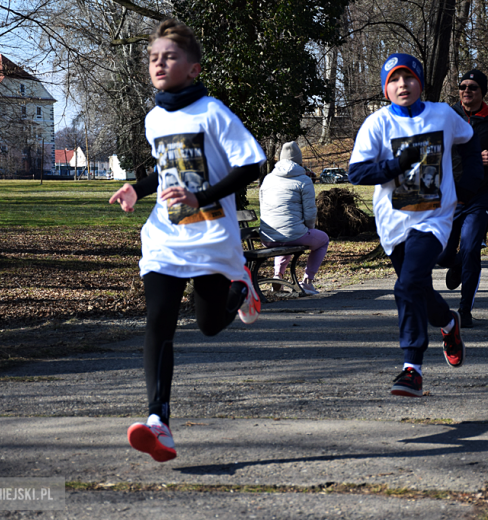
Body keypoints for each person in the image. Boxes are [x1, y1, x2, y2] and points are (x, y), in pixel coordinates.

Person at [108, 18, 265, 463]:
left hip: (213, 236)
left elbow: (250, 164)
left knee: (210, 325)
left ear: (193, 69)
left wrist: (202, 196)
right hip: (166, 235)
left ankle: (241, 286)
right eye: (153, 57)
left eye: (169, 57)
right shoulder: (154, 117)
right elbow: (167, 164)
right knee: (158, 320)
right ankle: (159, 421)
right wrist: (139, 188)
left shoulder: (214, 112)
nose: (159, 63)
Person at [348, 53, 483, 397]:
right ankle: (449, 323)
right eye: (394, 79)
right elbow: (357, 172)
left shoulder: (442, 115)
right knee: (417, 289)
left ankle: (412, 368)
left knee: (406, 286)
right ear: (385, 89)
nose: (402, 85)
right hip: (394, 224)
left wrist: (470, 185)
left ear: (420, 82)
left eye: (408, 78)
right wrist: (396, 165)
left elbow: (469, 141)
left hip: (434, 219)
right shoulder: (376, 124)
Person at [437, 69, 488, 328]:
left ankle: (465, 311)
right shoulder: (446, 115)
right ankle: (458, 262)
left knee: (472, 248)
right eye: (462, 86)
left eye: (472, 87)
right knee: (442, 256)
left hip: (480, 195)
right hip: (449, 196)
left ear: (482, 91)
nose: (466, 91)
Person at [259, 141, 329, 295]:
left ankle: (278, 277)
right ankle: (308, 282)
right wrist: (309, 230)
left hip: (267, 236)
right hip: (292, 234)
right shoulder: (304, 180)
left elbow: (263, 206)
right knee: (322, 239)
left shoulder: (268, 179)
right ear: (299, 160)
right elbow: (310, 213)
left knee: (286, 235)